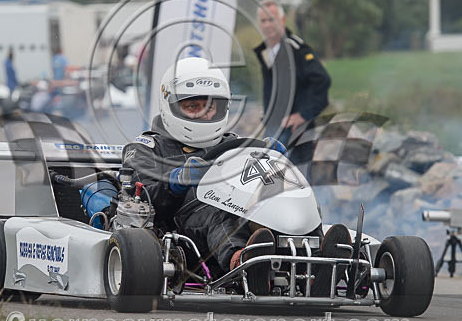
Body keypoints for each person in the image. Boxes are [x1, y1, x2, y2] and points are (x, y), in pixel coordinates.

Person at [85, 58, 315, 296]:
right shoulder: (146, 148)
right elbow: (137, 201)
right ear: (170, 106)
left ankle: (323, 257)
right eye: (193, 107)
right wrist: (173, 183)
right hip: (182, 232)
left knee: (274, 193)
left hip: (243, 215)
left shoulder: (233, 143)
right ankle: (243, 263)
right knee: (217, 207)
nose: (203, 116)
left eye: (210, 107)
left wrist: (270, 161)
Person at [253, 0, 331, 170]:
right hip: (274, 128)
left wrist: (304, 114)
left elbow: (322, 81)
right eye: (263, 21)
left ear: (282, 20)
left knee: (299, 179)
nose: (267, 25)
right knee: (269, 177)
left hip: (296, 131)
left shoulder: (296, 49)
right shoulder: (266, 51)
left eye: (271, 19)